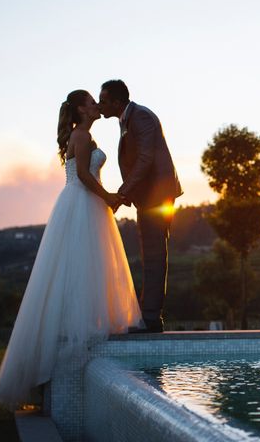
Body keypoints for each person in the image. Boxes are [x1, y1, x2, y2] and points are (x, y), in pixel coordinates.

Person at [0, 90, 143, 410]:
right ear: (80, 109)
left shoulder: (82, 134)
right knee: (81, 265)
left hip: (82, 204)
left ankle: (86, 335)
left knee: (86, 267)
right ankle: (76, 343)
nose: (95, 105)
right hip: (82, 204)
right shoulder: (82, 134)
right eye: (90, 102)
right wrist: (110, 198)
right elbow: (85, 176)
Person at [98, 80, 182, 333]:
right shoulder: (127, 119)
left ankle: (151, 319)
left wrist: (122, 194)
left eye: (103, 100)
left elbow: (145, 159)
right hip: (149, 196)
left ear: (116, 101)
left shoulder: (140, 117)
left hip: (157, 197)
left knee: (154, 255)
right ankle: (150, 317)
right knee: (151, 255)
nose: (100, 105)